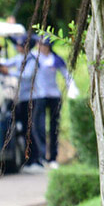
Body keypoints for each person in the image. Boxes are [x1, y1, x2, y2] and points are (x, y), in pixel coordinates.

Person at [0, 34, 44, 173]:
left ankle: (36, 160)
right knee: (22, 129)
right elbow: (7, 63)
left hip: (31, 99)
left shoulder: (32, 60)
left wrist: (10, 73)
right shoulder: (19, 58)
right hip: (21, 99)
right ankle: (28, 159)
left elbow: (26, 75)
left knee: (30, 129)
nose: (17, 47)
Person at [33, 36, 75, 169]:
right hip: (39, 95)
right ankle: (41, 155)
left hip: (54, 95)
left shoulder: (55, 59)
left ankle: (53, 157)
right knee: (39, 125)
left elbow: (66, 75)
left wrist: (72, 89)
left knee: (54, 125)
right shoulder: (33, 58)